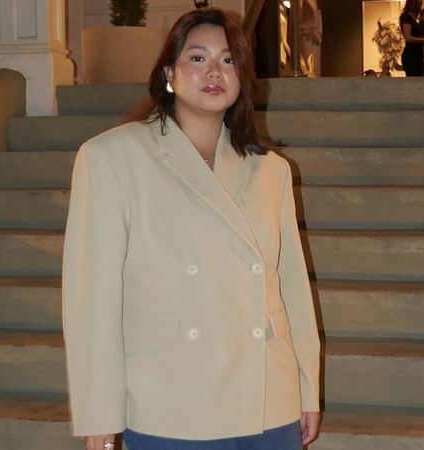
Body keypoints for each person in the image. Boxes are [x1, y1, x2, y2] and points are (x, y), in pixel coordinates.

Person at [62, 8, 321, 450]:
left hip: (268, 398)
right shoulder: (113, 158)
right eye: (197, 58)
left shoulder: (270, 170)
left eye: (228, 59)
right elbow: (93, 301)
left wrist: (305, 387)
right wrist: (98, 412)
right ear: (169, 73)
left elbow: (290, 287)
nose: (214, 71)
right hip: (173, 406)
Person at [400, 0, 424, 76]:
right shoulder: (406, 17)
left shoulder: (414, 19)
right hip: (411, 56)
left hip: (417, 55)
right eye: (419, 4)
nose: (420, 6)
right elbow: (408, 38)